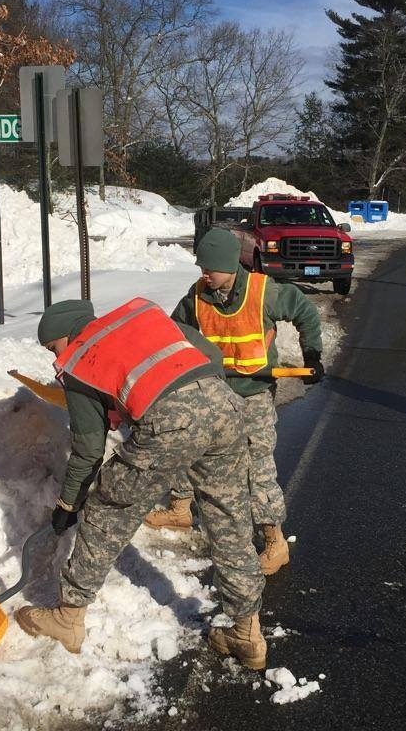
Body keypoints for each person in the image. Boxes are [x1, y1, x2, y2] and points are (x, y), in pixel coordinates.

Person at [15, 298, 268, 670]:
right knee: (228, 519)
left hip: (172, 424)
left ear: (67, 336)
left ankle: (68, 619)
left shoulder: (81, 359)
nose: (56, 360)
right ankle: (248, 633)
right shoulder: (140, 317)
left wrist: (68, 505)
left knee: (107, 507)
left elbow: (87, 453)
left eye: (52, 348)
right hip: (225, 407)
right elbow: (209, 353)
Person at [144, 228, 323, 576]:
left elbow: (305, 311)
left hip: (254, 393)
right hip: (213, 391)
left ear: (229, 265)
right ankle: (181, 509)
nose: (204, 274)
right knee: (189, 446)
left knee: (256, 467)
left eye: (210, 268)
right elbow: (173, 333)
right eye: (201, 268)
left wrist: (312, 353)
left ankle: (274, 541)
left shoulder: (263, 292)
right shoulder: (196, 297)